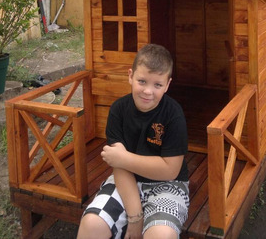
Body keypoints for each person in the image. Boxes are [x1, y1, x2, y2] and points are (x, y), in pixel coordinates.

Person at [77, 44, 189, 239]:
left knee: (161, 235)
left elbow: (170, 170)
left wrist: (123, 158)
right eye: (142, 81)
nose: (147, 91)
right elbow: (118, 166)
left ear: (168, 85)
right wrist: (135, 218)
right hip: (126, 181)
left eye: (157, 85)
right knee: (92, 224)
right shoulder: (118, 110)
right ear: (130, 75)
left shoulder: (174, 114)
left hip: (168, 186)